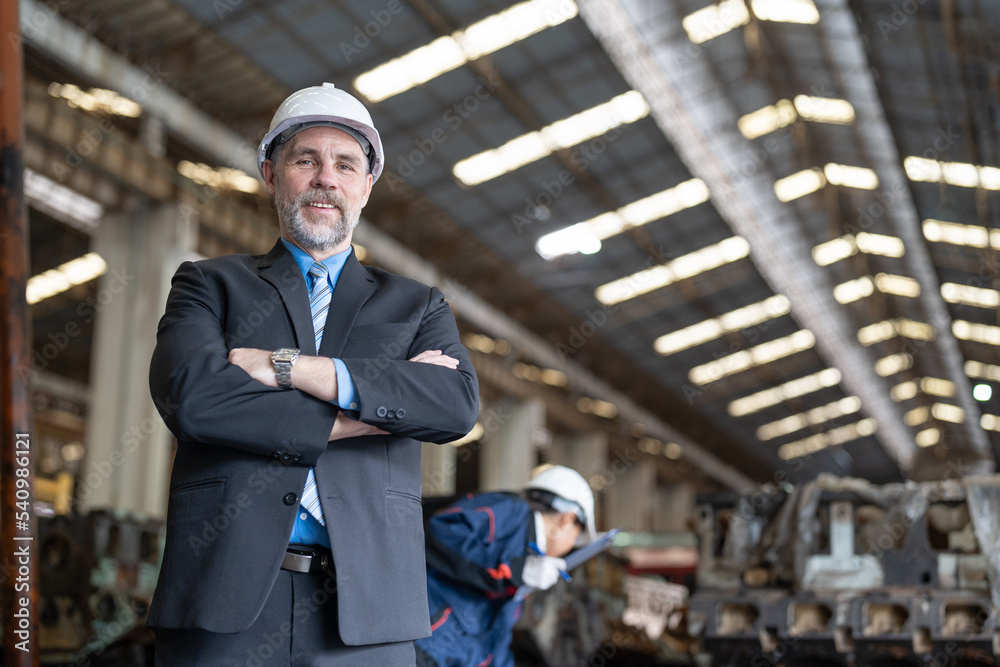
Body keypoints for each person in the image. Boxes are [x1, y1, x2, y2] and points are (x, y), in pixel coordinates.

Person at [147, 82, 480, 666]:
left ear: (366, 186)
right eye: (307, 160)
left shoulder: (418, 306)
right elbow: (195, 400)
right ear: (273, 175)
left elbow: (453, 405)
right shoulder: (210, 286)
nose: (327, 177)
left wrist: (288, 368)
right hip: (225, 600)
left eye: (346, 164)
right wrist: (376, 410)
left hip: (369, 611)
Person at [414, 465, 597, 667]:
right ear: (566, 519)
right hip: (424, 644)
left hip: (451, 659)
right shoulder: (512, 510)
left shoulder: (530, 560)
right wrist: (516, 569)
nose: (571, 546)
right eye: (575, 536)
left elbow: (497, 636)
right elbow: (444, 533)